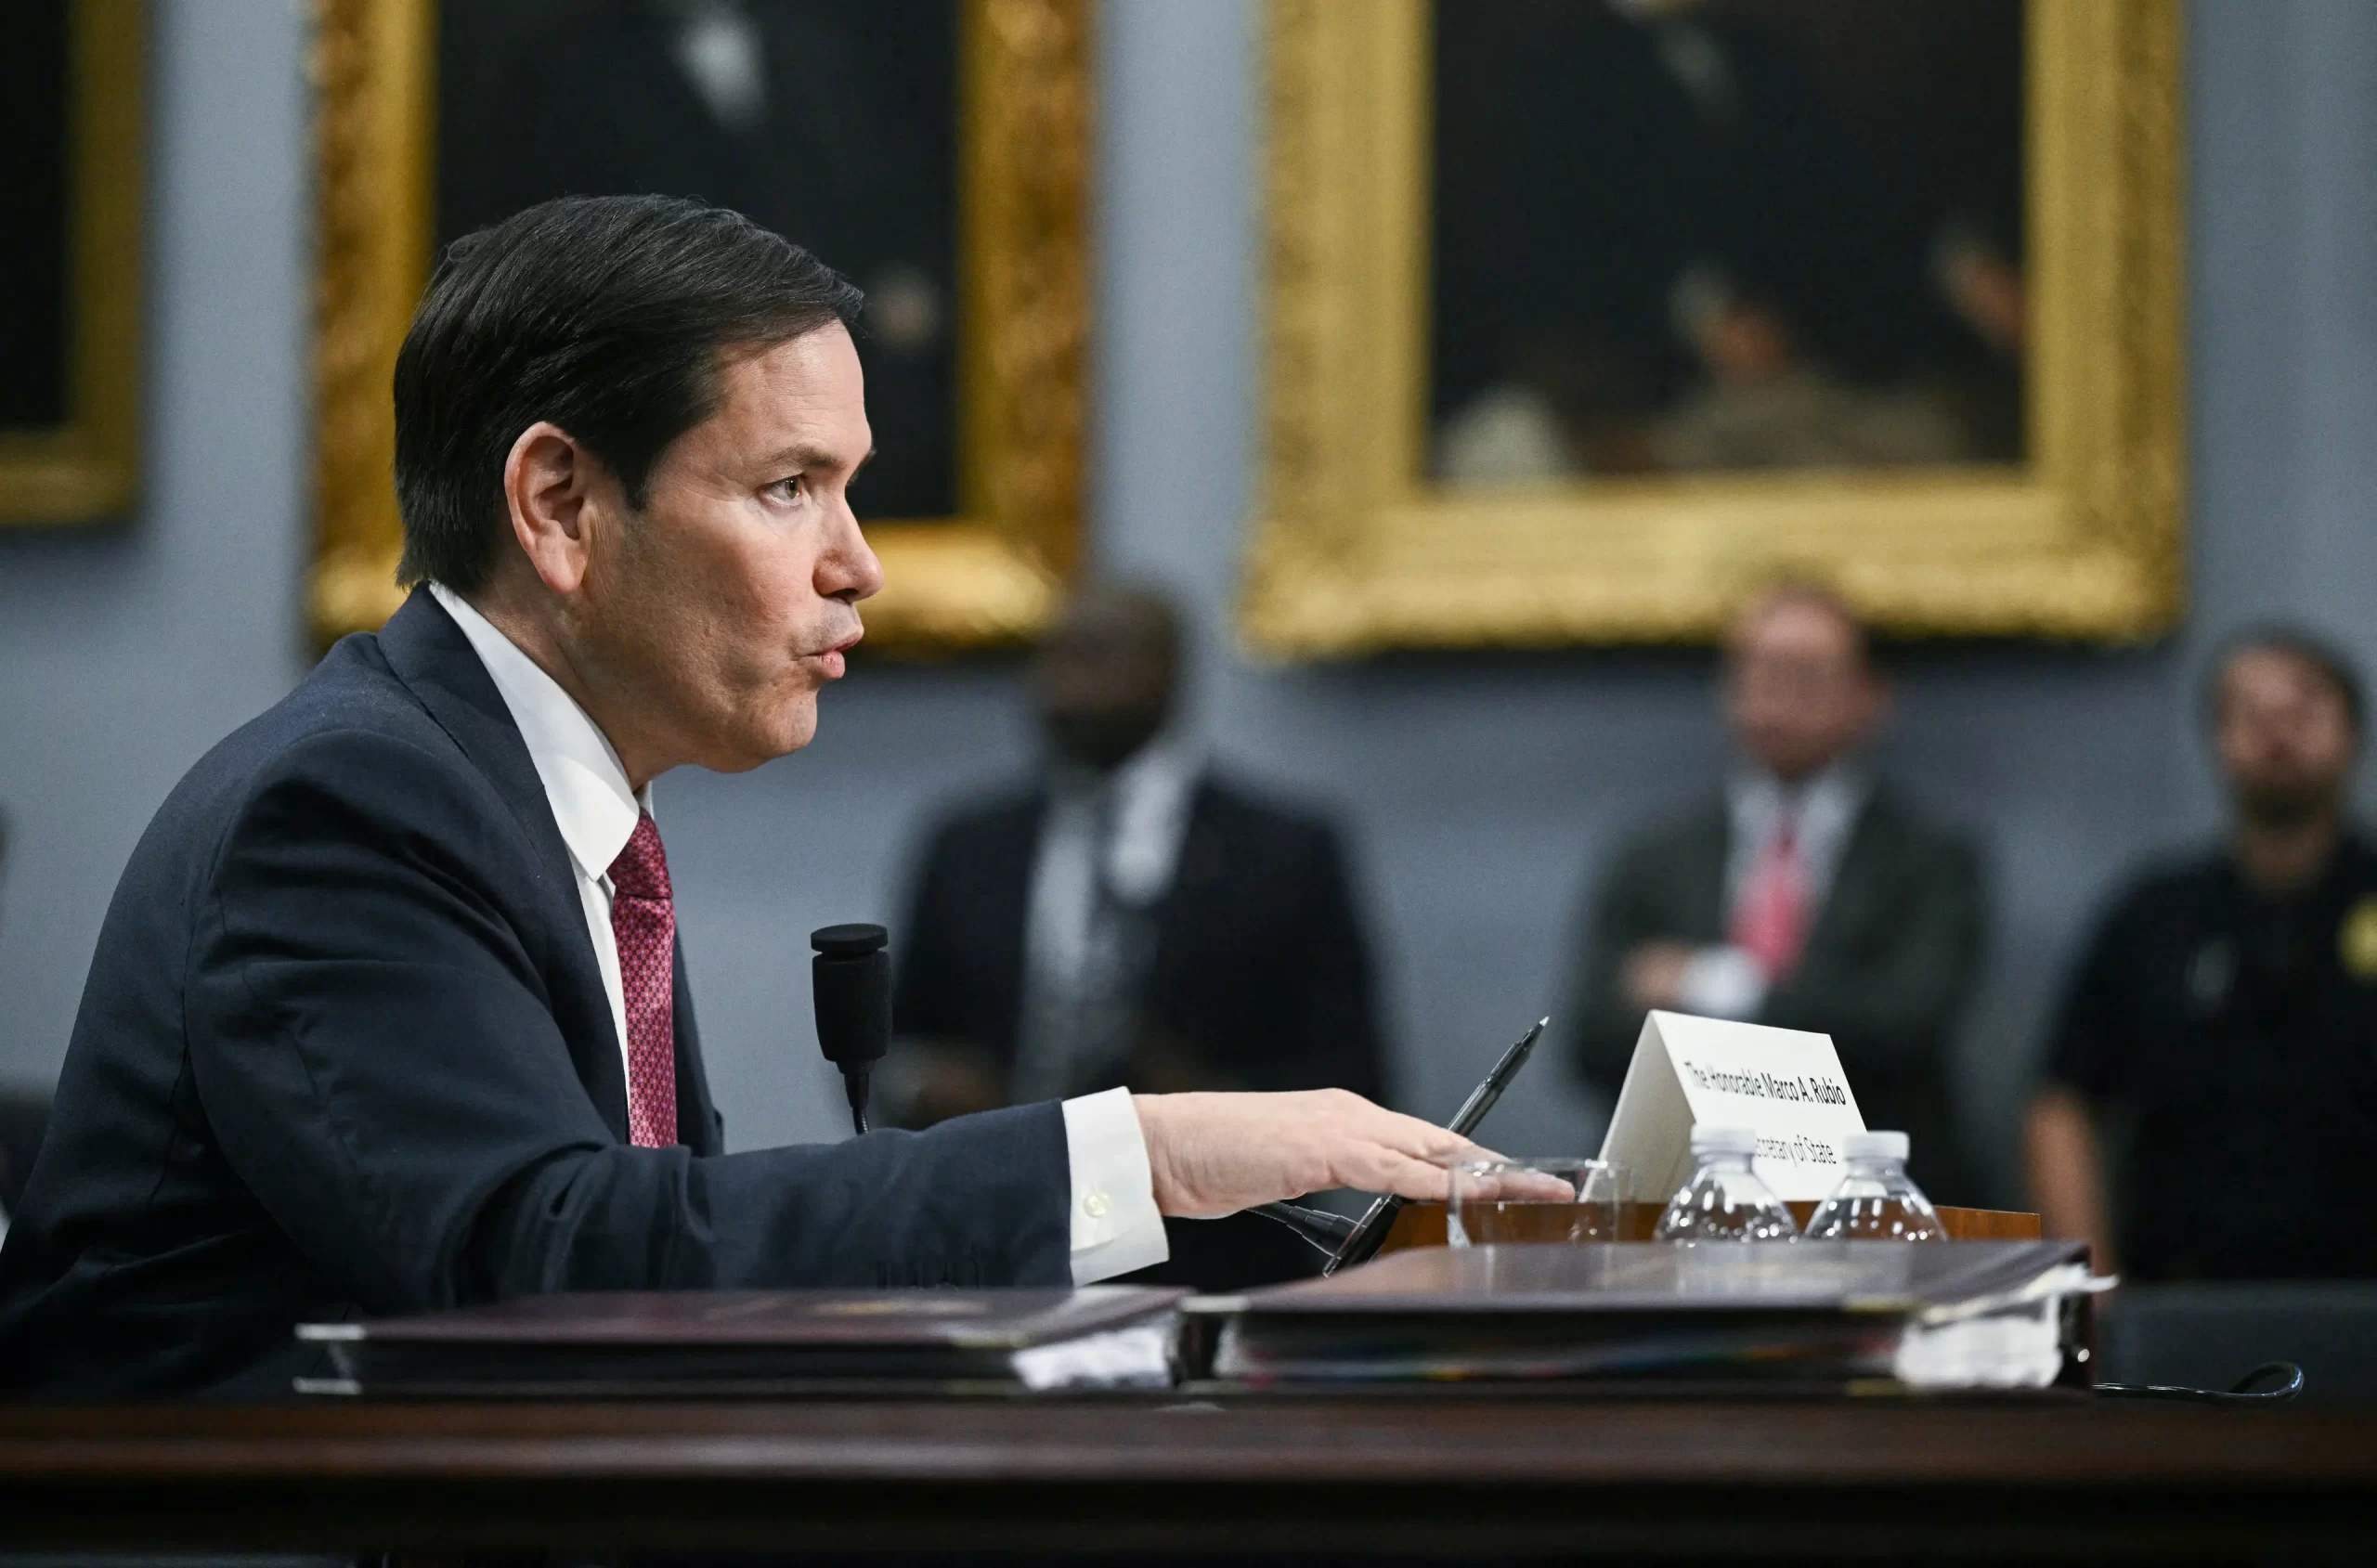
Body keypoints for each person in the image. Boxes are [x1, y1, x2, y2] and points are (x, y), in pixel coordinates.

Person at [0, 197, 1476, 1395]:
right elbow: (554, 1266)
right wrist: (1141, 1153)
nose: (859, 564)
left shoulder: (549, 805)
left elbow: (650, 1275)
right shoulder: (347, 805)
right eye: (788, 488)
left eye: (850, 488)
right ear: (560, 506)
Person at [891, 585, 1388, 1285]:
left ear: (1169, 670)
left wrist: (1207, 1102)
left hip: (1214, 1266)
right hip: (1002, 1254)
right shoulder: (970, 845)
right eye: (1049, 659)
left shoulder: (1281, 853)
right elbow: (896, 1047)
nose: (1063, 688)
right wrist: (928, 1085)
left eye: (1095, 658)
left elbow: (1354, 1078)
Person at [1564, 583, 1985, 1199]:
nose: (1779, 700)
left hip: (1876, 1195)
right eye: (1761, 673)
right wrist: (1816, 1006)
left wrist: (1714, 983)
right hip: (1682, 1192)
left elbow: (1905, 1024)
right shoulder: (1652, 854)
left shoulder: (1931, 858)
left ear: (1872, 696)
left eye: (1807, 675)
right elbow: (1593, 1038)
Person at [2027, 630, 2377, 1281]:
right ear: (2216, 738)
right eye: (2250, 714)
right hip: (2181, 1288)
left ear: (2353, 733)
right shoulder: (2154, 913)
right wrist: (2090, 1279)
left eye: (2303, 710)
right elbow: (2063, 1101)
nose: (2277, 735)